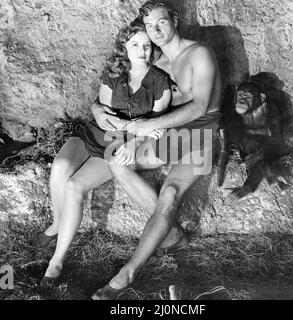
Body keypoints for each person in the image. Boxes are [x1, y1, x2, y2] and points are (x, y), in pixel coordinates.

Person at [92, 0, 222, 300]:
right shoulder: (157, 63)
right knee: (116, 159)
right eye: (150, 26)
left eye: (161, 22)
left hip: (203, 134)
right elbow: (123, 95)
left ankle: (127, 274)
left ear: (174, 20)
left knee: (170, 194)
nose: (156, 30)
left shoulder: (198, 53)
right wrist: (96, 108)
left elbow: (200, 106)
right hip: (170, 134)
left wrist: (141, 129)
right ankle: (174, 236)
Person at [34, 21, 174, 286]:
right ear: (125, 46)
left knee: (75, 185)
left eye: (147, 45)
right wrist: (129, 122)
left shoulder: (160, 81)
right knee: (60, 166)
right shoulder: (113, 73)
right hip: (95, 133)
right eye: (135, 44)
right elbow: (103, 117)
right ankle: (55, 224)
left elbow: (157, 124)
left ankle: (56, 262)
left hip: (119, 146)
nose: (142, 50)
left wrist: (133, 138)